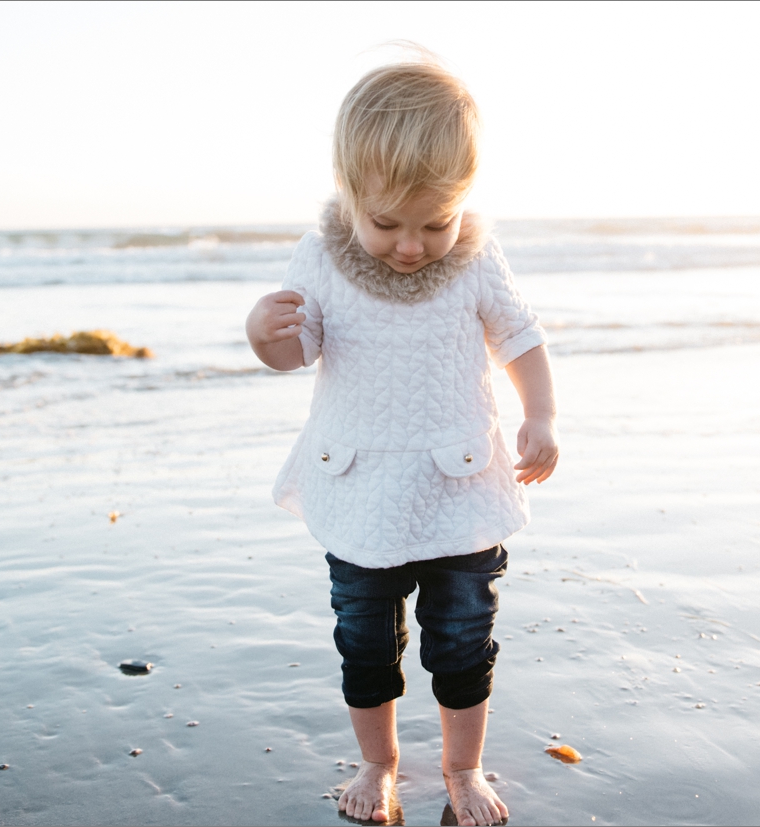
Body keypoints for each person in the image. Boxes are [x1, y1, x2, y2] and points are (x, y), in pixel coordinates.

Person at [245, 55, 558, 827]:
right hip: (359, 494)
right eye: (387, 223)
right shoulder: (319, 257)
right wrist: (263, 333)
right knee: (364, 643)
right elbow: (298, 349)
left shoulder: (477, 257)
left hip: (461, 491)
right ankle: (378, 762)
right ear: (350, 195)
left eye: (435, 222)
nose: (413, 245)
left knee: (460, 640)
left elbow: (520, 337)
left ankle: (463, 767)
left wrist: (541, 415)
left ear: (463, 201)